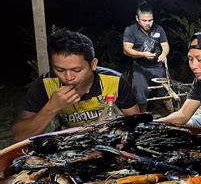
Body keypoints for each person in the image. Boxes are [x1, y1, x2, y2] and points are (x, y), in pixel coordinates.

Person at [11, 30, 140, 141]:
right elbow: (19, 136)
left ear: (93, 64)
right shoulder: (45, 85)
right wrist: (51, 107)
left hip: (108, 138)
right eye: (59, 70)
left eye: (77, 70)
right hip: (69, 142)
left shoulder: (114, 81)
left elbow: (136, 122)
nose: (68, 77)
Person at [123, 1, 173, 114]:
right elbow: (127, 49)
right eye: (144, 20)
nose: (148, 23)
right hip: (140, 68)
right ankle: (141, 119)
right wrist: (143, 54)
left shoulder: (159, 29)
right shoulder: (130, 30)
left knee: (166, 93)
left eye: (150, 20)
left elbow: (165, 46)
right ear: (137, 18)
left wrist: (164, 54)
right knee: (140, 96)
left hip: (158, 67)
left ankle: (173, 114)